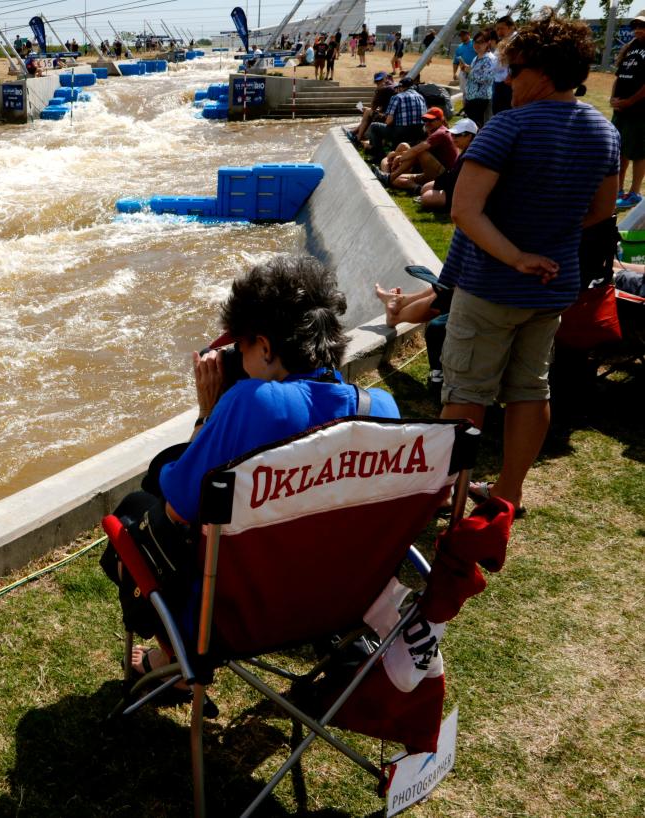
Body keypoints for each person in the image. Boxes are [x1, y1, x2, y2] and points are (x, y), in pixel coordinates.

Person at [102, 256, 400, 680]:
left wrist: (208, 413)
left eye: (239, 345)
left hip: (236, 619)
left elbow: (181, 505)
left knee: (136, 507)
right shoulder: (381, 409)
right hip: (341, 603)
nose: (236, 356)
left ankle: (171, 659)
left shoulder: (252, 403)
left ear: (264, 346)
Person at [439, 10, 618, 512]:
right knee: (530, 391)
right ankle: (508, 493)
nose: (507, 78)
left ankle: (450, 495)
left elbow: (463, 210)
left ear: (541, 71)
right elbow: (602, 211)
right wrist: (547, 238)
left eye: (513, 69)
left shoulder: (507, 128)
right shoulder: (604, 132)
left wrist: (517, 256)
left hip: (493, 285)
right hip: (554, 286)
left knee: (466, 392)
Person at [376, 107, 459, 193]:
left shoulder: (440, 133)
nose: (427, 123)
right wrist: (398, 155)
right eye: (425, 120)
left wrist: (399, 157)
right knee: (397, 178)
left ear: (440, 120)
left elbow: (416, 150)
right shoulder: (433, 132)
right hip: (431, 171)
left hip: (444, 175)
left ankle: (389, 177)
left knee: (418, 152)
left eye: (430, 120)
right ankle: (418, 188)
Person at [611, 14, 645, 209]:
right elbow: (619, 76)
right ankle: (618, 189)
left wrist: (629, 101)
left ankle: (634, 193)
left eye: (642, 25)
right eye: (635, 25)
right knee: (619, 151)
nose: (638, 29)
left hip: (639, 111)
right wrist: (614, 98)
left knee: (638, 153)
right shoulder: (631, 47)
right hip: (621, 109)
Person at [416, 118, 478, 211]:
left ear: (469, 136)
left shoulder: (472, 155)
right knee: (425, 188)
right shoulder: (464, 150)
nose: (453, 137)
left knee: (426, 198)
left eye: (458, 135)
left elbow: (461, 182)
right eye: (452, 134)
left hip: (461, 193)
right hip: (454, 186)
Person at [367, 76, 426, 160]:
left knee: (374, 127)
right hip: (419, 131)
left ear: (401, 87)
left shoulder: (397, 97)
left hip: (401, 132)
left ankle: (378, 156)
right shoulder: (421, 97)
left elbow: (388, 121)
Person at [460, 29, 497, 127]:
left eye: (481, 42)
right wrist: (465, 70)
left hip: (481, 100)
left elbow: (486, 78)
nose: (477, 45)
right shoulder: (476, 58)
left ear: (488, 43)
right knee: (470, 127)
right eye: (475, 42)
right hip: (471, 98)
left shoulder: (490, 59)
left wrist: (470, 71)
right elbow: (472, 77)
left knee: (477, 127)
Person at [349, 71, 396, 144]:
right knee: (368, 111)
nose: (378, 83)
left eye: (380, 80)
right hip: (392, 116)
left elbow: (373, 107)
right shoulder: (394, 86)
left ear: (385, 78)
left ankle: (358, 138)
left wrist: (377, 91)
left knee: (367, 112)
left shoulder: (383, 89)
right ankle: (354, 132)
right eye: (377, 81)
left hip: (389, 118)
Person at [491, 16, 516, 115]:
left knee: (506, 113)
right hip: (499, 82)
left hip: (508, 84)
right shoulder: (504, 41)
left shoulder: (516, 41)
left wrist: (511, 75)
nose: (498, 32)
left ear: (511, 27)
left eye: (501, 28)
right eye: (497, 29)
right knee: (498, 113)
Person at [452, 30, 475, 95]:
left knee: (473, 91)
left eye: (463, 35)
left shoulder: (475, 43)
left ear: (468, 34)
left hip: (474, 70)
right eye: (461, 36)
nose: (461, 37)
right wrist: (454, 73)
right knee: (463, 92)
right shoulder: (459, 47)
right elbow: (455, 62)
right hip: (463, 72)